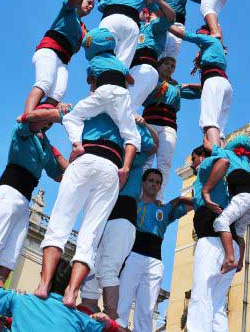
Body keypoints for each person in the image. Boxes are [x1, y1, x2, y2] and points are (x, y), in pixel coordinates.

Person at [34, 109, 138, 308]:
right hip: (110, 168)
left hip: (84, 160)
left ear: (93, 82)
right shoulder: (126, 113)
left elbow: (59, 116)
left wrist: (28, 116)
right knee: (90, 236)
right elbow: (137, 141)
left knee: (59, 225)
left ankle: (44, 284)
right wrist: (125, 167)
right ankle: (72, 293)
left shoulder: (91, 103)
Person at [0, 110, 68, 295]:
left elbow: (60, 175)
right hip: (9, 191)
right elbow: (31, 122)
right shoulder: (22, 129)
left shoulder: (45, 144)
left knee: (11, 255)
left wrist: (60, 153)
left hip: (24, 201)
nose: (50, 122)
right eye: (48, 116)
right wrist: (56, 113)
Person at [80, 120, 158, 319]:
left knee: (108, 268)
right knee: (90, 258)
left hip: (123, 212)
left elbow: (153, 145)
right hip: (104, 210)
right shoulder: (110, 151)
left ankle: (111, 316)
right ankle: (88, 305)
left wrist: (141, 124)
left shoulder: (134, 156)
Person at [117, 169, 192, 331]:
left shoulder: (164, 210)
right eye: (151, 180)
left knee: (147, 310)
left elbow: (194, 204)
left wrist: (180, 198)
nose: (154, 184)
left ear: (160, 187)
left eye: (158, 182)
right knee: (122, 304)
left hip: (155, 262)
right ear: (143, 183)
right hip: (133, 257)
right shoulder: (133, 205)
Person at [0, 259, 126, 331]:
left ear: (45, 277)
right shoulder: (79, 318)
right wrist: (107, 323)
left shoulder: (18, 300)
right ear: (71, 286)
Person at [186, 146, 240, 331]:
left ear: (202, 157)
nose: (192, 164)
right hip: (227, 243)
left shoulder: (206, 166)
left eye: (193, 159)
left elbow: (223, 161)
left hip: (211, 240)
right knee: (217, 304)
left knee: (201, 294)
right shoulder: (221, 184)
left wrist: (206, 190)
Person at [141, 57, 201, 200]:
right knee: (146, 160)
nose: (169, 67)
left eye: (173, 66)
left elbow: (201, 91)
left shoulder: (176, 87)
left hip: (169, 126)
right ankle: (140, 194)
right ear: (159, 66)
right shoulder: (150, 80)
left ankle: (158, 197)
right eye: (166, 64)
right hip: (150, 123)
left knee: (165, 162)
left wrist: (187, 85)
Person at [24, 0, 94, 113]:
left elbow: (92, 42)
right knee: (44, 83)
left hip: (63, 60)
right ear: (80, 0)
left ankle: (36, 126)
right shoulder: (69, 11)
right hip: (49, 51)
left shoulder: (84, 29)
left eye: (93, 6)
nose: (91, 6)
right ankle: (27, 116)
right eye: (89, 2)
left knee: (57, 95)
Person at [84, 0, 162, 67]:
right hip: (130, 25)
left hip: (110, 21)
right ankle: (119, 78)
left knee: (105, 54)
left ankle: (101, 76)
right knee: (123, 61)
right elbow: (157, 11)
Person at [169, 24, 231, 147]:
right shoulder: (219, 48)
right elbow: (204, 87)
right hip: (225, 85)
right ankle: (223, 153)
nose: (199, 36)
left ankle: (216, 154)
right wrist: (188, 85)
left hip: (213, 81)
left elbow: (185, 35)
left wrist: (167, 24)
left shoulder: (210, 40)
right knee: (220, 130)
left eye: (201, 34)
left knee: (209, 122)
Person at [201, 136, 250, 273]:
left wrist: (207, 133)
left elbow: (208, 145)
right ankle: (240, 263)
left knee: (221, 222)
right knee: (239, 232)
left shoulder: (226, 153)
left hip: (243, 197)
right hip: (247, 201)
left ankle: (230, 258)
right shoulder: (247, 161)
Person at [127, 0, 176, 112]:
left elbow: (171, 17)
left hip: (145, 68)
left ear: (146, 13)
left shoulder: (154, 25)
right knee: (120, 105)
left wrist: (156, 0)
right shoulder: (136, 28)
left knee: (126, 108)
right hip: (131, 70)